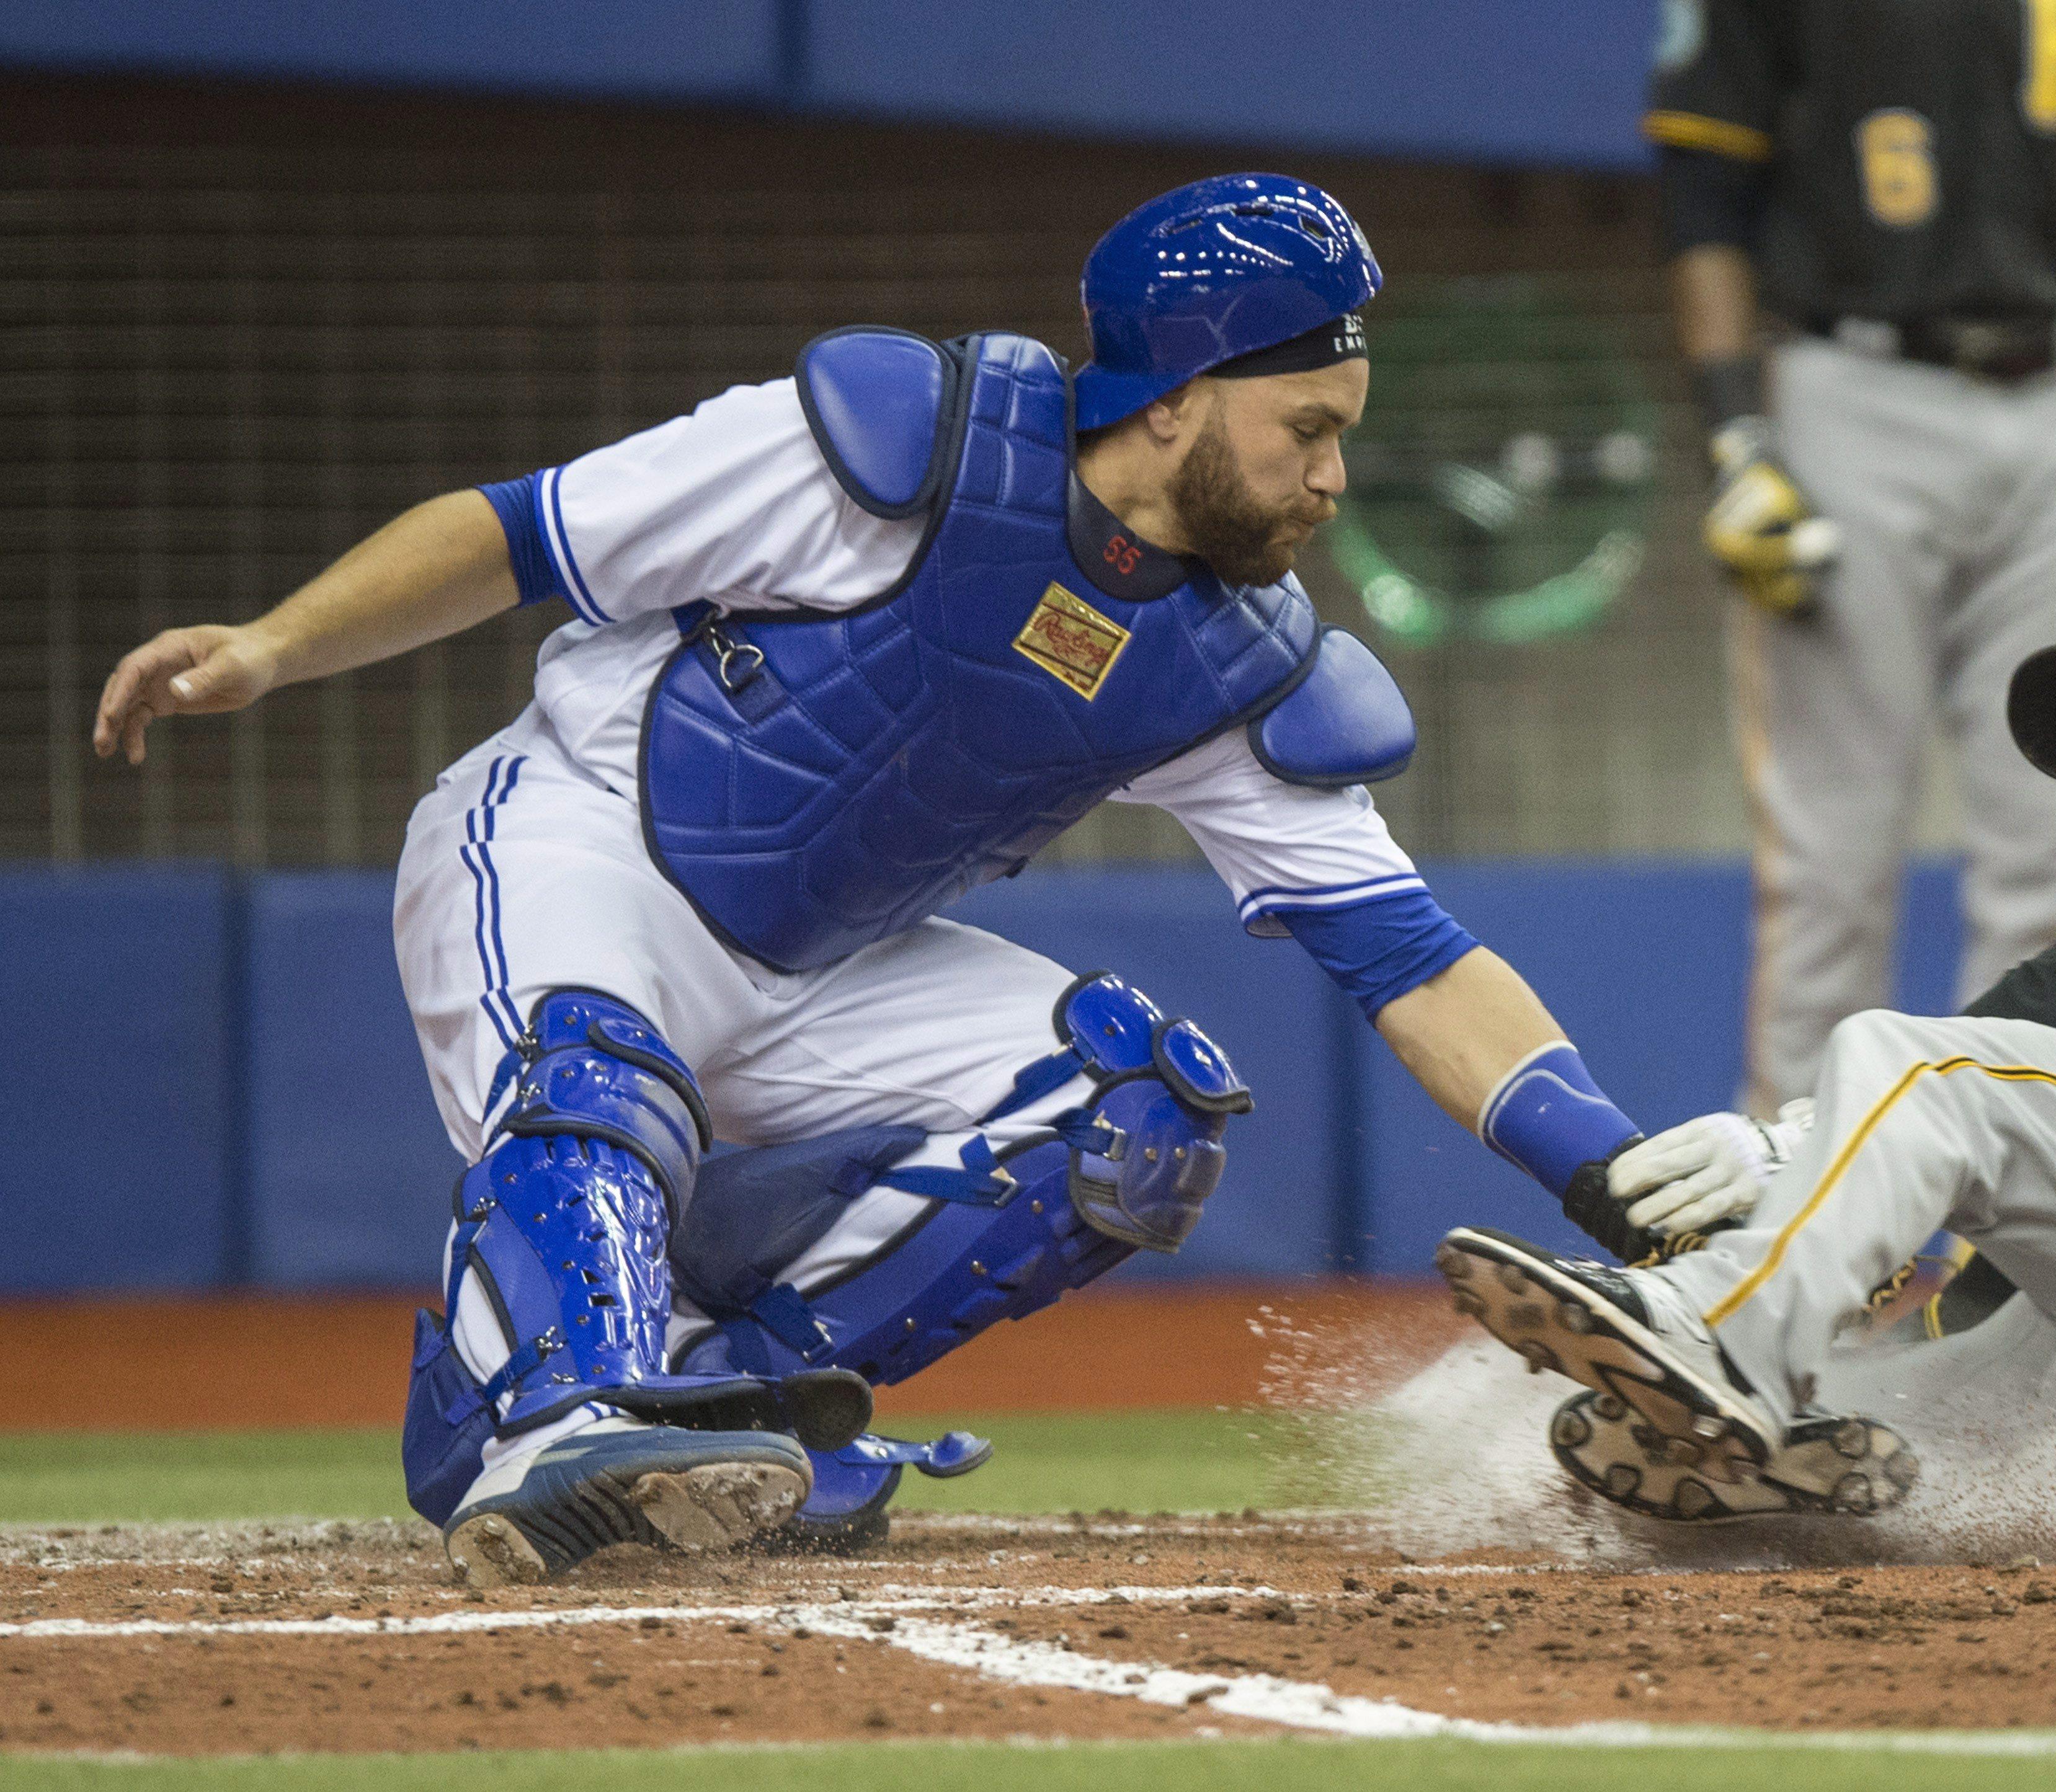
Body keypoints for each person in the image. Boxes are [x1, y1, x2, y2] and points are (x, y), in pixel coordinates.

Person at [94, 174, 1665, 1583]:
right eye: (1306, 431)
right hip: (576, 842)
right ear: (1180, 399)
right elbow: (516, 533)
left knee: (1140, 1108)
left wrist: (1613, 1170)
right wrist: (272, 646)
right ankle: (550, 1413)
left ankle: (729, 1403)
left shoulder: (1233, 661)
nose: (1332, 478)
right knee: (593, 1063)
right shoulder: (883, 449)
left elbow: (1404, 954)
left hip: (821, 966)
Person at [1438, 588, 2056, 1524]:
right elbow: (2025, 1233)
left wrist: (1797, 1142)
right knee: (1847, 1440)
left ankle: (1715, 1318)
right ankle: (1753, 1445)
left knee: (1912, 1061)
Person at [1648, 0, 2056, 1112]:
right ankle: (1793, 1223)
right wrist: (1735, 437)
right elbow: (1700, 193)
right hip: (1850, 383)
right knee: (1833, 857)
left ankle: (2000, 1235)